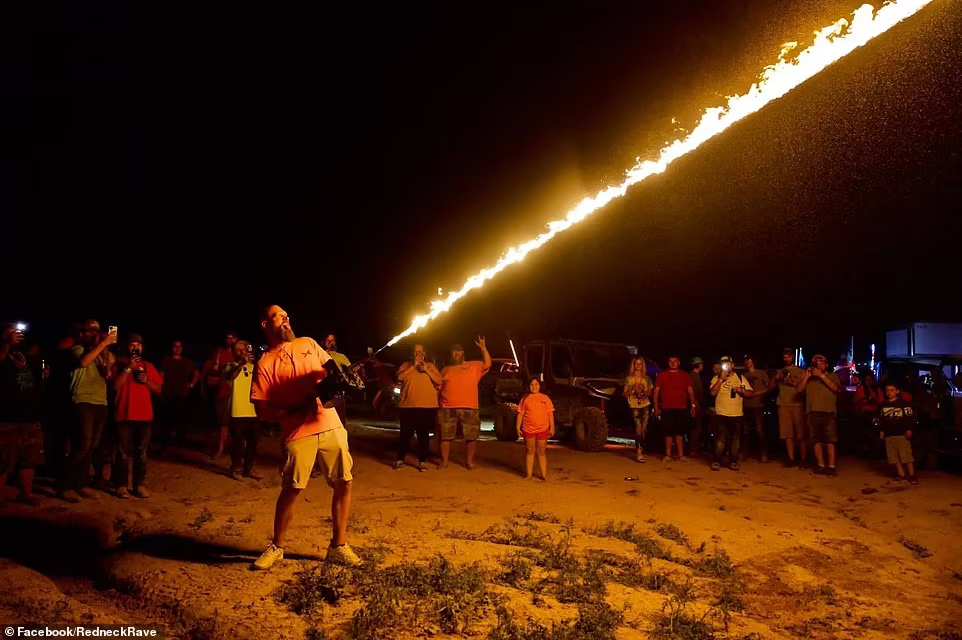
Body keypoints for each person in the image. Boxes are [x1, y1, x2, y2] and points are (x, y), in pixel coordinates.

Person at [250, 305, 360, 570]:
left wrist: (342, 379)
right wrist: (297, 408)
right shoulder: (265, 363)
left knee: (344, 481)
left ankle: (339, 546)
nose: (286, 318)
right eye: (278, 315)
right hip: (298, 432)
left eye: (286, 314)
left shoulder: (309, 343)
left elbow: (330, 369)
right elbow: (262, 410)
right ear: (265, 325)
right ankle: (277, 546)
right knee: (293, 488)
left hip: (330, 424)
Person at [61, 320, 117, 503]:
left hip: (101, 402)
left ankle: (81, 484)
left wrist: (107, 355)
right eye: (90, 330)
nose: (95, 333)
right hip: (83, 400)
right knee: (82, 446)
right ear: (82, 334)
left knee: (91, 447)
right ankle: (66, 486)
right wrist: (103, 344)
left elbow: (108, 376)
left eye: (97, 331)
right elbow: (84, 362)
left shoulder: (103, 353)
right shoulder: (77, 349)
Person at [112, 334, 163, 498]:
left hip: (144, 416)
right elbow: (114, 386)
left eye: (138, 345)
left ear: (142, 348)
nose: (135, 347)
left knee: (141, 453)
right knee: (122, 453)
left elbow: (159, 390)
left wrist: (147, 380)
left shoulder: (148, 366)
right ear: (127, 347)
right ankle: (121, 485)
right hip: (124, 415)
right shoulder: (119, 364)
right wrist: (128, 368)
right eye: (132, 345)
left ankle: (139, 485)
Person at [0, 323, 45, 505]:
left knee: (29, 459)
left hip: (30, 415)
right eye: (10, 329)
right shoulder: (4, 351)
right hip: (6, 416)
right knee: (3, 459)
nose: (15, 333)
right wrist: (7, 345)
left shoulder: (23, 353)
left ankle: (26, 494)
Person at [438, 338, 491, 470]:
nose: (457, 354)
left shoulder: (473, 366)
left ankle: (469, 462)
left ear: (463, 353)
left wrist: (483, 348)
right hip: (447, 407)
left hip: (469, 407)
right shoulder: (445, 370)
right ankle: (444, 461)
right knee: (446, 436)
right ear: (451, 354)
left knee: (471, 436)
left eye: (459, 351)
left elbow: (488, 363)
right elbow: (438, 387)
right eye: (454, 352)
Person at [395, 344, 441, 471]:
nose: (418, 355)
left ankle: (422, 461)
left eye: (421, 352)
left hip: (427, 407)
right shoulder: (406, 365)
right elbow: (400, 377)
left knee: (423, 435)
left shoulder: (431, 366)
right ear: (412, 354)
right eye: (416, 352)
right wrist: (413, 366)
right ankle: (400, 459)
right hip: (408, 406)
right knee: (405, 434)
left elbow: (438, 381)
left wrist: (426, 369)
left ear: (425, 354)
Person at [798, 354, 842, 476]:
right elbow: (799, 389)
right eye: (816, 363)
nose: (819, 365)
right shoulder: (808, 377)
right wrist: (807, 376)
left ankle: (831, 467)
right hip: (812, 412)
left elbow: (836, 388)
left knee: (830, 440)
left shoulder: (832, 376)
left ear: (826, 365)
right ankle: (820, 466)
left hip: (828, 412)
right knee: (816, 441)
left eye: (821, 363)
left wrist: (821, 376)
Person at [224, 340, 261, 480]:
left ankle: (249, 468)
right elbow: (230, 377)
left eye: (243, 349)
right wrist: (241, 364)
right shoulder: (229, 367)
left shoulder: (254, 367)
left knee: (253, 443)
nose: (241, 352)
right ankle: (236, 468)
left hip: (253, 410)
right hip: (237, 411)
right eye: (237, 350)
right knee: (237, 443)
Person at [709, 356, 754, 471]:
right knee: (720, 439)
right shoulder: (716, 378)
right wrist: (721, 380)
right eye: (724, 365)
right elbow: (713, 392)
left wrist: (741, 391)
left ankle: (733, 461)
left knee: (735, 440)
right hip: (721, 414)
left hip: (736, 414)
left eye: (728, 364)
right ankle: (716, 460)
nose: (726, 367)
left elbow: (750, 394)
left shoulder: (740, 378)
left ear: (732, 365)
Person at [202, 331, 237, 459]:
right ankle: (221, 448)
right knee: (224, 422)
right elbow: (213, 371)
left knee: (238, 422)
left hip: (238, 392)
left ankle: (235, 448)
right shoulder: (219, 352)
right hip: (224, 391)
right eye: (228, 338)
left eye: (232, 337)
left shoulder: (238, 353)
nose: (230, 340)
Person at [654, 355, 697, 462]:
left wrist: (693, 405)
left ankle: (680, 455)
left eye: (675, 361)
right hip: (666, 407)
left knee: (680, 432)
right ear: (668, 363)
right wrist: (656, 406)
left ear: (679, 362)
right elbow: (656, 391)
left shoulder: (684, 375)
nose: (673, 363)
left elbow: (690, 391)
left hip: (681, 407)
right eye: (671, 361)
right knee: (668, 431)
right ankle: (668, 455)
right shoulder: (662, 375)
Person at [159, 340, 199, 454]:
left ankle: (180, 445)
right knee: (166, 422)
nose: (177, 348)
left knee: (181, 422)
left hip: (182, 396)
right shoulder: (166, 360)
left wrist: (191, 384)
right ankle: (165, 445)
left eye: (179, 346)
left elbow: (196, 373)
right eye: (175, 346)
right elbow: (161, 375)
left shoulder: (187, 362)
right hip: (168, 394)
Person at [877, 381, 918, 484]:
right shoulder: (884, 405)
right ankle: (901, 474)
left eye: (892, 390)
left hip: (901, 434)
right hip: (889, 434)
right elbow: (882, 419)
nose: (889, 392)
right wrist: (882, 430)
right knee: (893, 456)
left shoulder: (904, 404)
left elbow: (910, 418)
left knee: (906, 456)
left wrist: (909, 429)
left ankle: (912, 475)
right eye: (887, 390)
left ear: (897, 391)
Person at [515, 378, 555, 479]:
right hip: (528, 429)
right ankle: (529, 474)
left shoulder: (545, 398)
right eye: (531, 385)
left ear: (540, 386)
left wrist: (552, 428)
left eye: (536, 384)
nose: (534, 387)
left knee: (541, 451)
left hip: (543, 429)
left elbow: (550, 414)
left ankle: (544, 475)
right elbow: (520, 414)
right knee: (530, 450)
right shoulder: (525, 399)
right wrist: (517, 427)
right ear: (528, 386)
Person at [773, 349, 806, 468]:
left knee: (801, 434)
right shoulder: (780, 371)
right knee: (787, 434)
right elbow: (771, 387)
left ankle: (803, 459)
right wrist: (776, 378)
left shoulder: (801, 371)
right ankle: (791, 459)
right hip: (783, 404)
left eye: (788, 356)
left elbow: (804, 388)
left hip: (798, 404)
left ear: (793, 357)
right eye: (785, 357)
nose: (786, 358)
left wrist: (793, 383)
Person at [741, 355, 772, 462]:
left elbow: (769, 387)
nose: (747, 362)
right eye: (746, 360)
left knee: (760, 430)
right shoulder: (743, 375)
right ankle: (745, 453)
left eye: (749, 360)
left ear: (753, 361)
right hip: (745, 405)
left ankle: (764, 453)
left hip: (758, 405)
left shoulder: (761, 373)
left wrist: (758, 393)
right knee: (745, 431)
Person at [624, 357, 653, 462]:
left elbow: (650, 392)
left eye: (640, 364)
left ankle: (642, 446)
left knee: (644, 428)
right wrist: (633, 391)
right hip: (634, 405)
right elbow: (625, 393)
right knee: (638, 427)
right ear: (634, 365)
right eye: (637, 364)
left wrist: (643, 393)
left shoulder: (647, 378)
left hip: (645, 404)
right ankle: (639, 452)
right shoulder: (629, 378)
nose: (638, 366)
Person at [689, 358, 706, 454]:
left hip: (696, 403)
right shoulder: (694, 376)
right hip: (695, 404)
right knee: (695, 427)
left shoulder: (696, 375)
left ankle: (694, 448)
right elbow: (694, 392)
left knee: (696, 427)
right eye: (701, 364)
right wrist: (694, 405)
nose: (702, 366)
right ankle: (693, 449)